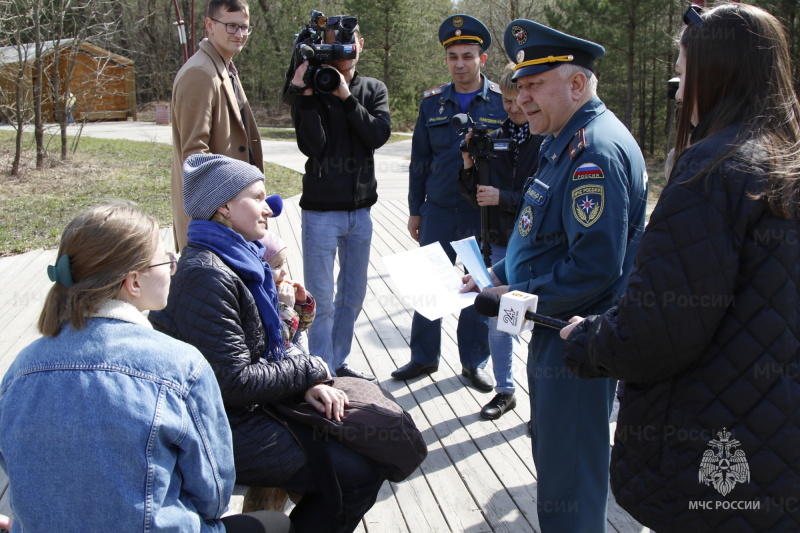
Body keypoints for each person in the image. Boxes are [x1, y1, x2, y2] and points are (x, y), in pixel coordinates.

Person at [560, 4, 800, 531]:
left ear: (714, 73)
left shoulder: (713, 170)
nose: (677, 85)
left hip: (715, 441)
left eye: (684, 69)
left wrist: (589, 340)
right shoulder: (785, 160)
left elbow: (659, 329)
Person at [0, 203, 293, 533]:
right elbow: (213, 494)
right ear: (133, 282)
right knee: (276, 525)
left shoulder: (18, 370)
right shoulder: (181, 367)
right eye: (165, 259)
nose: (173, 267)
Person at [462, 19, 648, 531]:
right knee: (553, 453)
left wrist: (514, 296)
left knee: (568, 471)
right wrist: (493, 273)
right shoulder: (561, 140)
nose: (522, 99)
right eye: (519, 86)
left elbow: (595, 264)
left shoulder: (594, 153)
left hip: (577, 339)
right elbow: (542, 235)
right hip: (553, 329)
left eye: (533, 85)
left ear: (577, 84)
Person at [149, 154, 387, 533]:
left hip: (247, 409)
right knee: (356, 472)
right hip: (217, 426)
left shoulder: (239, 260)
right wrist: (312, 370)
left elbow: (264, 348)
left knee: (363, 443)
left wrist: (306, 379)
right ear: (224, 207)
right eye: (257, 198)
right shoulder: (206, 275)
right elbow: (234, 382)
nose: (268, 209)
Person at [394, 14, 505, 392]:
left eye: (468, 56)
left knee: (477, 286)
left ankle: (475, 362)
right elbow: (419, 161)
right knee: (429, 285)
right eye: (453, 56)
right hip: (438, 208)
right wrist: (414, 208)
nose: (460, 63)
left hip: (481, 211)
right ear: (447, 60)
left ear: (482, 59)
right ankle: (424, 357)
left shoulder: (502, 104)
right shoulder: (431, 105)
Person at [287, 15, 391, 382]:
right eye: (333, 46)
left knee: (352, 296)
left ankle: (338, 361)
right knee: (322, 301)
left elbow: (377, 134)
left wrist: (346, 97)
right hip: (321, 213)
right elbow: (312, 146)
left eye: (348, 45)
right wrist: (308, 96)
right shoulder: (313, 87)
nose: (342, 53)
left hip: (361, 213)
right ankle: (320, 369)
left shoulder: (373, 89)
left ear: (360, 46)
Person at [458, 62, 544, 419]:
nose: (513, 108)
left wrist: (503, 197)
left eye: (518, 100)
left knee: (537, 323)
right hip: (497, 242)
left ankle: (543, 401)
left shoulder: (545, 137)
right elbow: (472, 194)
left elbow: (542, 197)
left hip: (532, 243)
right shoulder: (494, 138)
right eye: (507, 101)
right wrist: (467, 162)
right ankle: (505, 389)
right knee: (500, 320)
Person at [170, 0, 263, 251]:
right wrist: (231, 210)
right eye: (231, 26)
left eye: (244, 27)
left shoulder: (224, 67)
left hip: (230, 217)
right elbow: (194, 157)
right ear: (209, 25)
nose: (240, 34)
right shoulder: (200, 73)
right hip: (215, 223)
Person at [260, 230, 315, 356]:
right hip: (282, 364)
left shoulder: (278, 292)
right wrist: (286, 308)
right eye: (277, 266)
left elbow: (302, 326)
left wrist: (302, 303)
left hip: (297, 356)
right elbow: (277, 343)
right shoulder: (259, 299)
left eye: (283, 264)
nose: (284, 272)